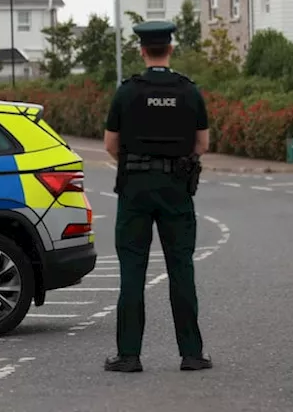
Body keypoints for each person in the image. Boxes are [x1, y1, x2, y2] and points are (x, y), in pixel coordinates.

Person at [101, 20, 212, 373]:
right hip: (176, 190)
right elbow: (203, 144)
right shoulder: (189, 91)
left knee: (133, 269)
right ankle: (191, 354)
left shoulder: (127, 92)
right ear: (171, 48)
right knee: (181, 267)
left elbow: (110, 144)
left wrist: (139, 164)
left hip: (134, 188)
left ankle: (129, 355)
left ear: (142, 50)